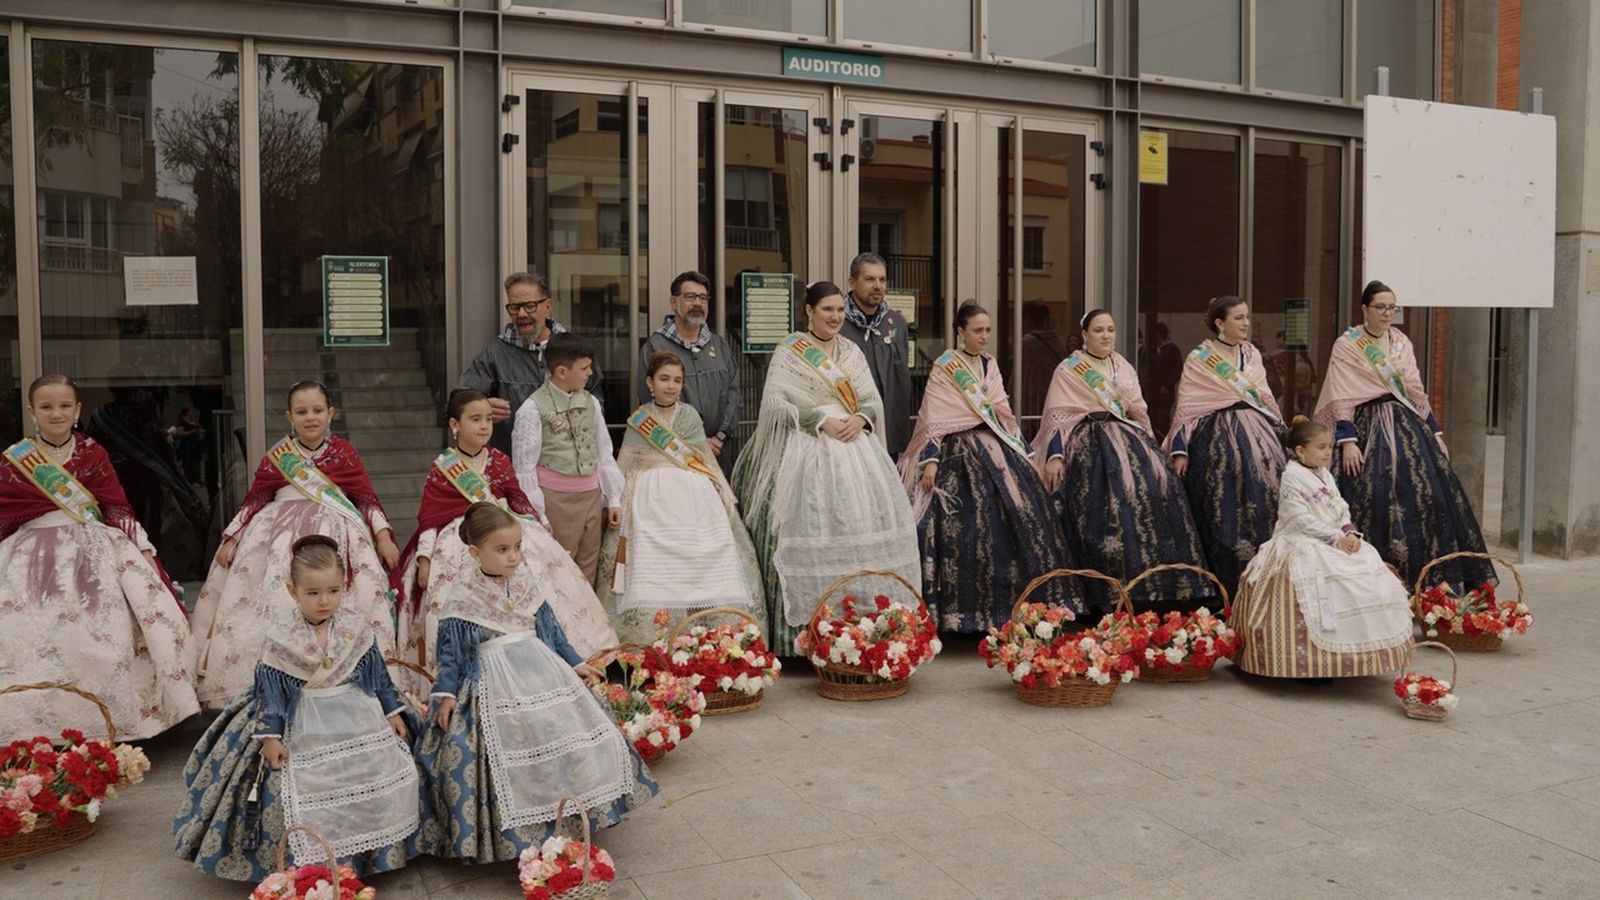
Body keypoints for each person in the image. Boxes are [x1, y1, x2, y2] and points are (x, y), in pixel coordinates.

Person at [174, 536, 433, 881]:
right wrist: (270, 737)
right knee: (298, 786)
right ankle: (315, 857)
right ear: (291, 590)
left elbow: (378, 677)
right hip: (300, 716)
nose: (324, 601)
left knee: (382, 771)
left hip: (357, 711)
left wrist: (392, 711)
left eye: (333, 591)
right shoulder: (281, 637)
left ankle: (374, 853)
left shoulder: (355, 627)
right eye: (312, 593)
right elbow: (271, 694)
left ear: (344, 586)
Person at [417, 503, 658, 864]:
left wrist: (575, 662)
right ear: (475, 553)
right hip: (492, 682)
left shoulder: (525, 582)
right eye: (502, 550)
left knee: (567, 731)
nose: (513, 557)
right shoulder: (462, 597)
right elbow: (450, 654)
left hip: (541, 671)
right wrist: (447, 693)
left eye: (517, 547)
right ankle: (521, 833)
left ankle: (575, 815)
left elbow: (552, 632)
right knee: (498, 748)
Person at [0, 374, 198, 740]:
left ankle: (103, 717)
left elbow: (115, 507)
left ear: (77, 409)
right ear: (31, 411)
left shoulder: (93, 452)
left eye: (64, 406)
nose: (56, 413)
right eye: (46, 406)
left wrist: (143, 549)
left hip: (90, 551)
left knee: (98, 634)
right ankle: (33, 722)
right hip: (29, 555)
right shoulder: (15, 460)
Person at [733, 281, 921, 654]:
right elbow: (774, 404)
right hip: (805, 449)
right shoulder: (790, 350)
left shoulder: (850, 350)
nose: (835, 317)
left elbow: (871, 399)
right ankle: (810, 634)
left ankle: (866, 627)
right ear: (809, 311)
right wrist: (818, 421)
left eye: (839, 310)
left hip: (856, 448)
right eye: (827, 310)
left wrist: (862, 418)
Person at [392, 389, 618, 697]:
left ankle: (559, 665)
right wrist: (425, 558)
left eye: (488, 419)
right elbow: (430, 518)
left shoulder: (498, 460)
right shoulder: (442, 467)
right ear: (455, 425)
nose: (484, 426)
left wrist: (536, 521)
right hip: (463, 539)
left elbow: (516, 497)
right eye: (475, 419)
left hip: (505, 530)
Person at [190, 381, 399, 709]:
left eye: (317, 410)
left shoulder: (344, 453)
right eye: (302, 412)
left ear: (331, 413)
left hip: (336, 532)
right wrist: (232, 538)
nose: (310, 417)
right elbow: (255, 499)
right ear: (289, 417)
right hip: (276, 537)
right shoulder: (278, 456)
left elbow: (365, 498)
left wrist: (383, 537)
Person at [900, 303, 1080, 632]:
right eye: (977, 330)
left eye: (987, 330)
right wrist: (931, 460)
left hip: (994, 443)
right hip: (956, 449)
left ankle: (1012, 609)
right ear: (961, 332)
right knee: (966, 526)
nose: (984, 336)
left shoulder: (989, 364)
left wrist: (1024, 452)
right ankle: (963, 614)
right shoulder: (945, 366)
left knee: (1021, 513)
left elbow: (1002, 412)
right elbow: (934, 417)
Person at [1314, 280, 1495, 590]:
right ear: (1365, 309)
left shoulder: (1400, 341)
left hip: (1406, 424)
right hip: (1365, 424)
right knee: (1371, 495)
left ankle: (1426, 582)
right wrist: (1348, 441)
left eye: (1392, 308)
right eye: (1380, 307)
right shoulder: (1347, 344)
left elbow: (1414, 390)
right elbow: (1341, 393)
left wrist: (1434, 432)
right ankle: (1368, 583)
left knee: (1428, 498)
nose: (1387, 313)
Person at [1032, 310, 1214, 613]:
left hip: (1127, 438)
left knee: (1150, 500)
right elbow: (1058, 417)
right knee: (1099, 511)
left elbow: (1137, 409)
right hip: (1087, 440)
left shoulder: (1123, 366)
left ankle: (1149, 588)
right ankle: (1103, 592)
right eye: (1098, 330)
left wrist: (1149, 446)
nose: (1106, 335)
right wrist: (1055, 456)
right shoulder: (1069, 369)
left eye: (1110, 329)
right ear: (1085, 335)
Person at [599, 352, 765, 643]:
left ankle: (709, 629)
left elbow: (704, 459)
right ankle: (655, 633)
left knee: (704, 554)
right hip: (650, 497)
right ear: (650, 382)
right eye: (664, 379)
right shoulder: (640, 419)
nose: (671, 386)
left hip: (694, 496)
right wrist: (616, 500)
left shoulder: (689, 415)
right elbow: (626, 463)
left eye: (677, 380)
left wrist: (725, 496)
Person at [1231, 419, 1414, 679]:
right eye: (1321, 447)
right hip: (1301, 540)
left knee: (1366, 563)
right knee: (1317, 577)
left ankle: (1356, 655)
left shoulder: (1324, 473)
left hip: (1334, 536)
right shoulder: (1292, 476)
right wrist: (1335, 537)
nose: (1328, 452)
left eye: (1329, 446)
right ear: (1300, 451)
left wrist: (1349, 531)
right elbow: (1299, 518)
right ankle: (1311, 664)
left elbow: (1339, 505)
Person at [1164, 296, 1288, 599]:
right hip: (1215, 438)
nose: (1246, 323)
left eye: (1247, 317)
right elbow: (1187, 407)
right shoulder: (1199, 358)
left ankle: (1267, 581)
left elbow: (1264, 396)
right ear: (1220, 323)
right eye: (1238, 318)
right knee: (1221, 507)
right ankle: (1224, 587)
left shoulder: (1251, 353)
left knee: (1266, 500)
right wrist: (1180, 450)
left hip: (1258, 434)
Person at [512, 333, 625, 585]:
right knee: (558, 567)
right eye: (584, 368)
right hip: (556, 499)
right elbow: (524, 466)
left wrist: (613, 499)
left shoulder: (591, 402)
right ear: (562, 372)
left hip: (591, 496)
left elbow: (603, 452)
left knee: (589, 564)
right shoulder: (532, 409)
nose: (590, 374)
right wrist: (539, 514)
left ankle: (586, 610)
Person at [461, 271, 602, 455]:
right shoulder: (494, 353)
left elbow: (597, 402)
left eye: (529, 306)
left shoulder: (575, 350)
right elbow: (461, 399)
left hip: (567, 465)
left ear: (548, 306)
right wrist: (482, 407)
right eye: (514, 307)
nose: (521, 314)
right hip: (513, 463)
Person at [636, 271, 743, 475]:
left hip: (719, 453)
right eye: (690, 297)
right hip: (675, 458)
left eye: (703, 298)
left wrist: (720, 436)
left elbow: (734, 394)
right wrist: (695, 443)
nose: (698, 303)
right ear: (673, 302)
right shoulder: (655, 347)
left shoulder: (719, 345)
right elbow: (649, 403)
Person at [839, 252, 913, 459]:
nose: (878, 286)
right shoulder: (837, 324)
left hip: (889, 433)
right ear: (852, 282)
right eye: (870, 279)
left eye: (882, 279)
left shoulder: (896, 323)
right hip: (850, 432)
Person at [1140, 321, 1185, 438]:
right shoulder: (1147, 349)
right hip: (1149, 391)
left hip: (1164, 391)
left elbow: (1177, 369)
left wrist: (1167, 385)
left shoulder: (1171, 350)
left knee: (1162, 418)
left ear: (1159, 335)